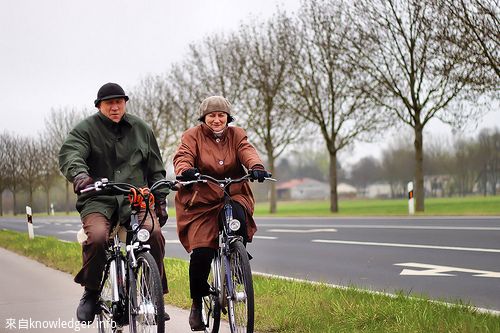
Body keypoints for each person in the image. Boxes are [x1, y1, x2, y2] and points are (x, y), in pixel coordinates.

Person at [59, 82, 170, 323]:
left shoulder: (142, 129)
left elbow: (156, 168)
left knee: (154, 234)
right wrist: (80, 175)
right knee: (98, 237)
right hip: (99, 199)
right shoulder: (85, 130)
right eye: (109, 103)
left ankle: (154, 296)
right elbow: (71, 154)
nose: (115, 107)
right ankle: (91, 292)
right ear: (99, 106)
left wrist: (160, 199)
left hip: (136, 198)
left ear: (125, 103)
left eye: (119, 102)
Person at [173, 95, 271, 331]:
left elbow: (247, 151)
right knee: (202, 252)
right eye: (212, 115)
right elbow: (183, 155)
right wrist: (185, 170)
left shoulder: (237, 135)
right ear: (204, 118)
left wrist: (256, 167)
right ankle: (197, 303)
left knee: (238, 218)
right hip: (202, 200)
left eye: (221, 115)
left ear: (228, 117)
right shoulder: (192, 135)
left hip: (232, 192)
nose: (217, 120)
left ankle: (237, 258)